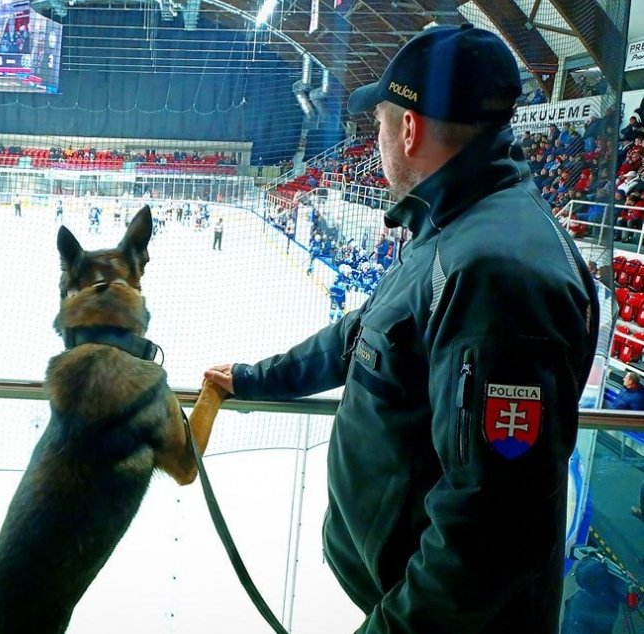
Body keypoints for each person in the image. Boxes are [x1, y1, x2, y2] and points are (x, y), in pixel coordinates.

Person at [204, 24, 598, 633]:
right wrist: (256, 379)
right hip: (398, 590)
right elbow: (367, 332)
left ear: (409, 129)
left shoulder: (496, 274)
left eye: (380, 123)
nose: (377, 138)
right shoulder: (452, 228)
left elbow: (492, 527)